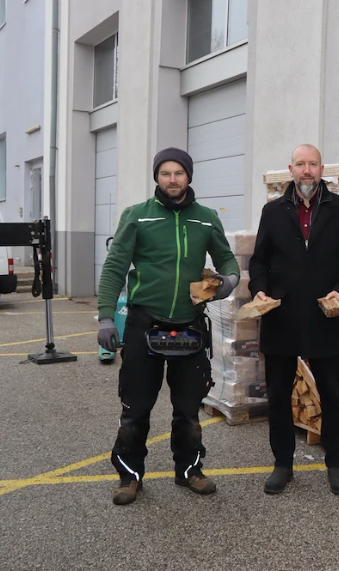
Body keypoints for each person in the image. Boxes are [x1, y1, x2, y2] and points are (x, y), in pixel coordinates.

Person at [97, 147, 240, 505]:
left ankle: (189, 469)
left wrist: (230, 280)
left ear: (188, 176)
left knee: (188, 408)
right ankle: (129, 476)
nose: (172, 180)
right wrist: (105, 317)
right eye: (165, 173)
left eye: (179, 173)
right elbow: (115, 267)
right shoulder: (137, 216)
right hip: (144, 323)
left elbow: (226, 258)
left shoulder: (206, 219)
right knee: (135, 408)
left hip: (190, 325)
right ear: (157, 177)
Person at [249, 144, 339, 495]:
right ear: (291, 169)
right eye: (300, 164)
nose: (307, 170)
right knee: (278, 396)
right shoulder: (273, 212)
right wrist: (259, 290)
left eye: (313, 164)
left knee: (331, 394)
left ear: (321, 168)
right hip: (281, 317)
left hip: (323, 316)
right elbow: (259, 261)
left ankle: (336, 465)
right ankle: (283, 464)